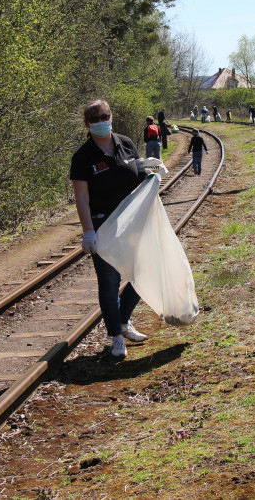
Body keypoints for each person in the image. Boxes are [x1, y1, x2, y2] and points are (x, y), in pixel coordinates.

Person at [70, 100, 149, 358]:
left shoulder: (125, 143)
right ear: (87, 124)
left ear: (111, 117)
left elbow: (139, 175)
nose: (101, 122)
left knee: (140, 273)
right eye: (95, 119)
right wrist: (88, 231)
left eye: (104, 116)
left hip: (132, 221)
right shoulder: (83, 156)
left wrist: (150, 172)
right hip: (103, 224)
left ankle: (123, 322)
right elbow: (82, 198)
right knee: (109, 281)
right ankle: (116, 336)